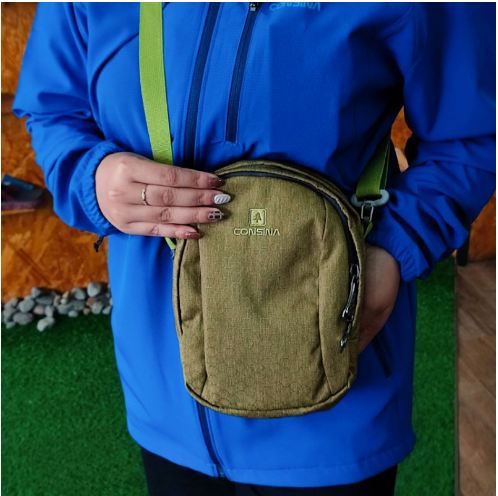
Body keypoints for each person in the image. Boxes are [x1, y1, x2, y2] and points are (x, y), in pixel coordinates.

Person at [13, 3, 495, 495]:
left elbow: (473, 136)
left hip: (335, 400)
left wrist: (396, 246)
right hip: (165, 391)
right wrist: (91, 177)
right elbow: (53, 108)